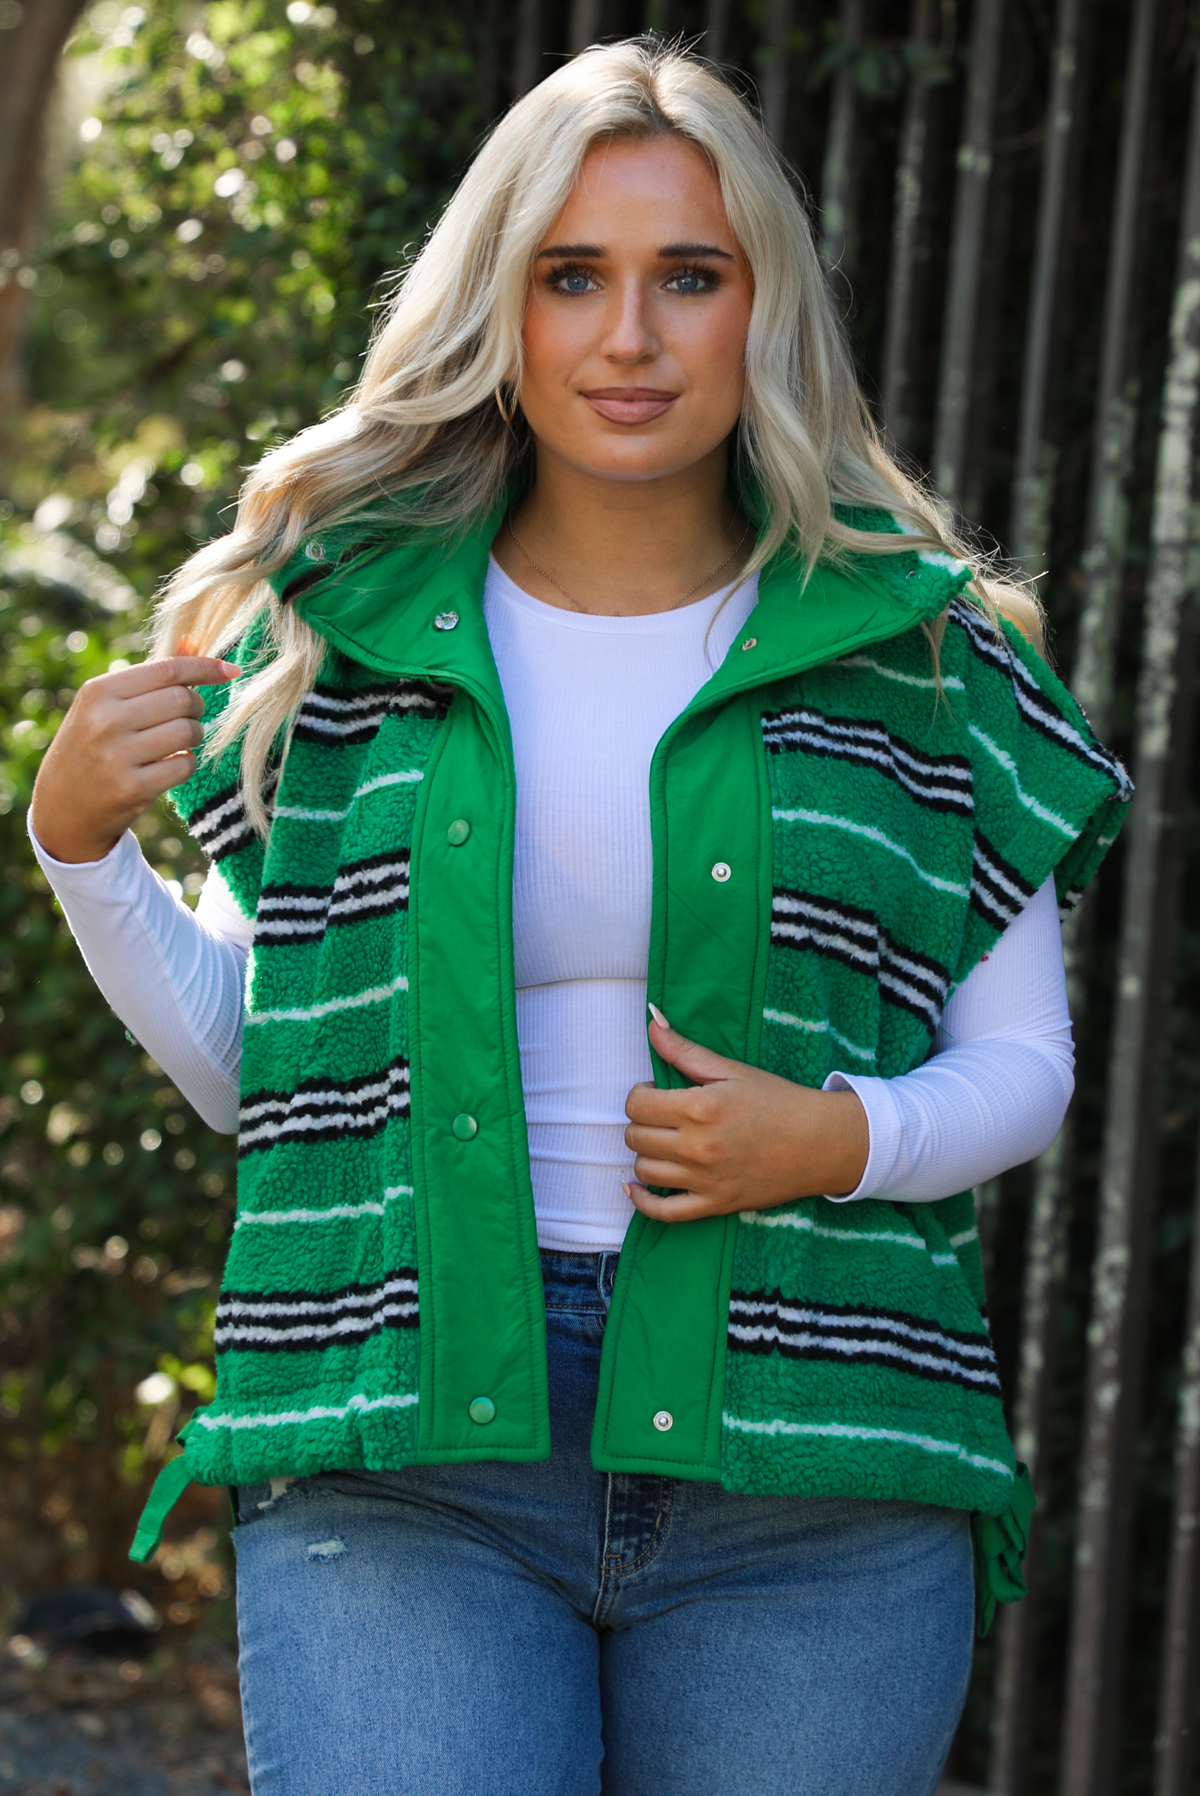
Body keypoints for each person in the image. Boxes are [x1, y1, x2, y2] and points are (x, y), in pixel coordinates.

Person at [29, 39, 1130, 1796]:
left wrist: (831, 1137)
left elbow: (1029, 1069)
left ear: (759, 306)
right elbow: (264, 1075)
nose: (630, 336)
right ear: (505, 309)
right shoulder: (334, 642)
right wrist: (85, 852)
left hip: (818, 1472)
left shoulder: (926, 660)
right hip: (406, 1455)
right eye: (573, 278)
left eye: (687, 275)